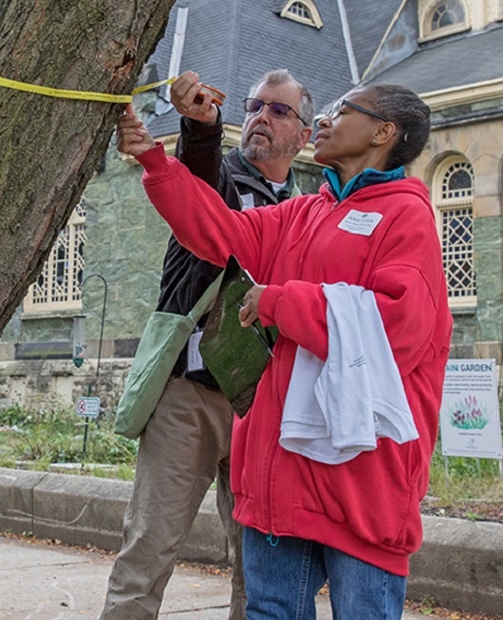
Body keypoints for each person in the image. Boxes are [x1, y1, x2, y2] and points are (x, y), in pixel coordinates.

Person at [116, 81, 452, 619]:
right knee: (269, 612)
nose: (324, 120)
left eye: (343, 111)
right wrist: (155, 161)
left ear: (383, 133)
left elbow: (400, 328)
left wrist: (282, 302)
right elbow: (217, 229)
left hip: (360, 479)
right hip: (282, 473)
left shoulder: (406, 217)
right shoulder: (303, 214)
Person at [100, 70, 314, 620]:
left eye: (279, 111)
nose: (262, 117)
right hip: (188, 396)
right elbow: (200, 180)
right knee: (149, 547)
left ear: (305, 136)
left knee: (260, 563)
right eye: (255, 105)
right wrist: (202, 125)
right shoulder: (220, 176)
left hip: (263, 407)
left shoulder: (309, 210)